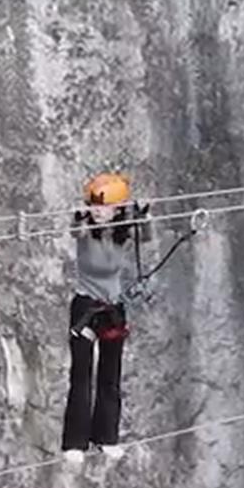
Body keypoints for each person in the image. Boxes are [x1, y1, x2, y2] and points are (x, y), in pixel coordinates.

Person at [62, 172, 152, 467]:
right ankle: (75, 442)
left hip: (112, 308)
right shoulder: (86, 228)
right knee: (82, 375)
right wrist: (79, 217)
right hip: (86, 307)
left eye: (104, 207)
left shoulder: (121, 232)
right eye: (94, 205)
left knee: (110, 376)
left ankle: (106, 437)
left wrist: (144, 216)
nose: (98, 211)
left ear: (117, 209)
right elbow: (76, 231)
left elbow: (146, 236)